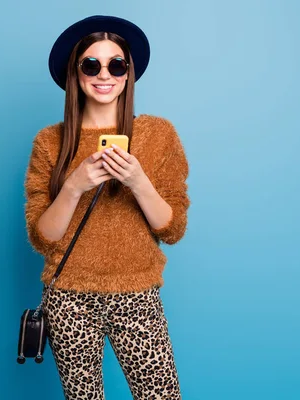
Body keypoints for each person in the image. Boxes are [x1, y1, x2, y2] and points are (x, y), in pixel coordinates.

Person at [23, 15, 190, 400]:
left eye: (117, 64)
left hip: (137, 294)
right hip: (68, 299)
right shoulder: (50, 142)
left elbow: (173, 229)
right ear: (75, 73)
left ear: (128, 72)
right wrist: (74, 186)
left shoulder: (156, 134)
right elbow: (43, 237)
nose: (105, 75)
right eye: (91, 64)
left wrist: (137, 181)